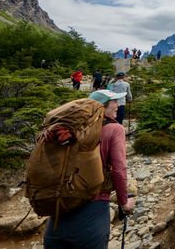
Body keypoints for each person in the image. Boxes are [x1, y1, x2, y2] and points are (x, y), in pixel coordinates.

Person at [43, 89, 134, 248]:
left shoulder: (70, 130)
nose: (118, 105)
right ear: (102, 107)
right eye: (114, 102)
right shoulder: (115, 129)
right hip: (92, 212)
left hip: (59, 211)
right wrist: (124, 202)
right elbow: (119, 170)